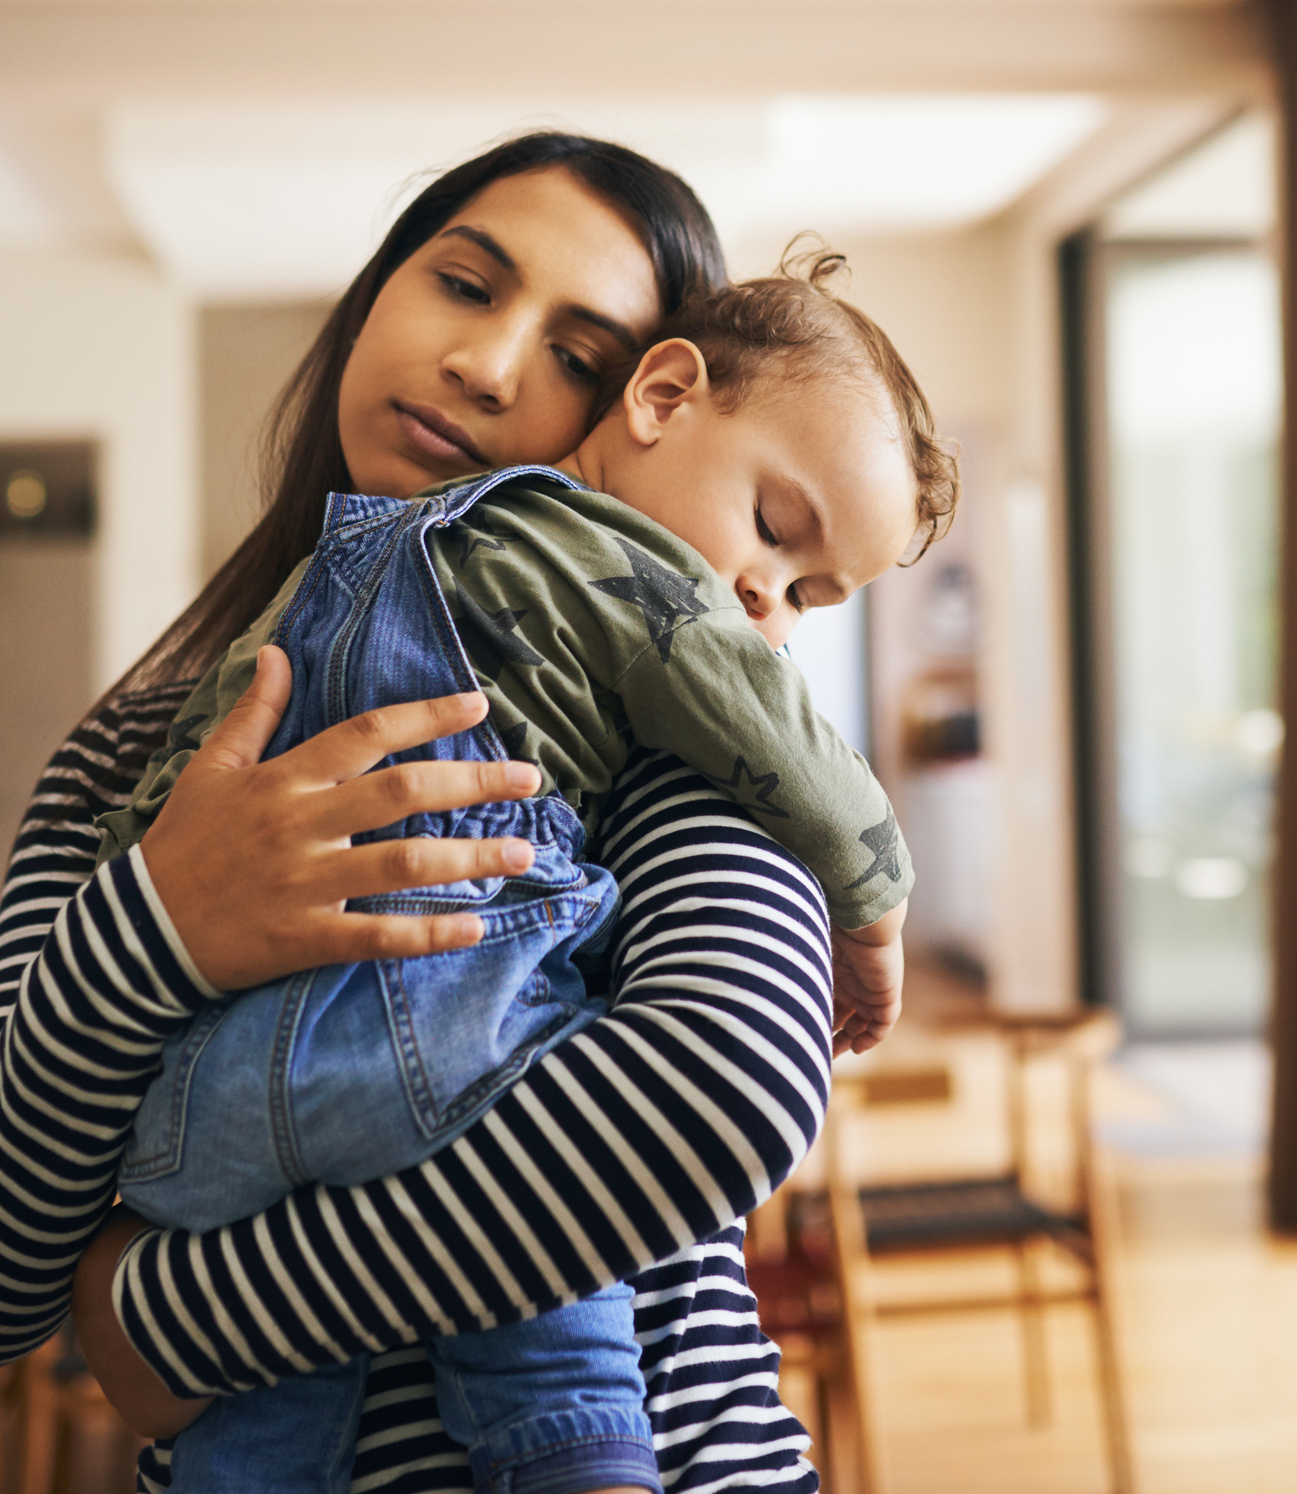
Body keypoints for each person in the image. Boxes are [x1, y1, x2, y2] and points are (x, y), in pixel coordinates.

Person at [0, 132, 848, 1493]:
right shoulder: (125, 763)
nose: (486, 364)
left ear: (646, 413)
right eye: (462, 283)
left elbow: (723, 1086)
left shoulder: (665, 721)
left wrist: (163, 1314)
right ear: (373, 297)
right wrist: (162, 925)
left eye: (577, 356)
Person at [86, 259, 952, 1493]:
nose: (767, 602)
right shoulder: (622, 570)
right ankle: (580, 1460)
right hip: (443, 1020)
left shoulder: (335, 572)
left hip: (212, 1087)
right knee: (547, 1288)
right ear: (659, 397)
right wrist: (873, 907)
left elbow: (192, 776)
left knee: (254, 1412)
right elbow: (776, 732)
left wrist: (137, 915)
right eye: (772, 532)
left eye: (812, 596)